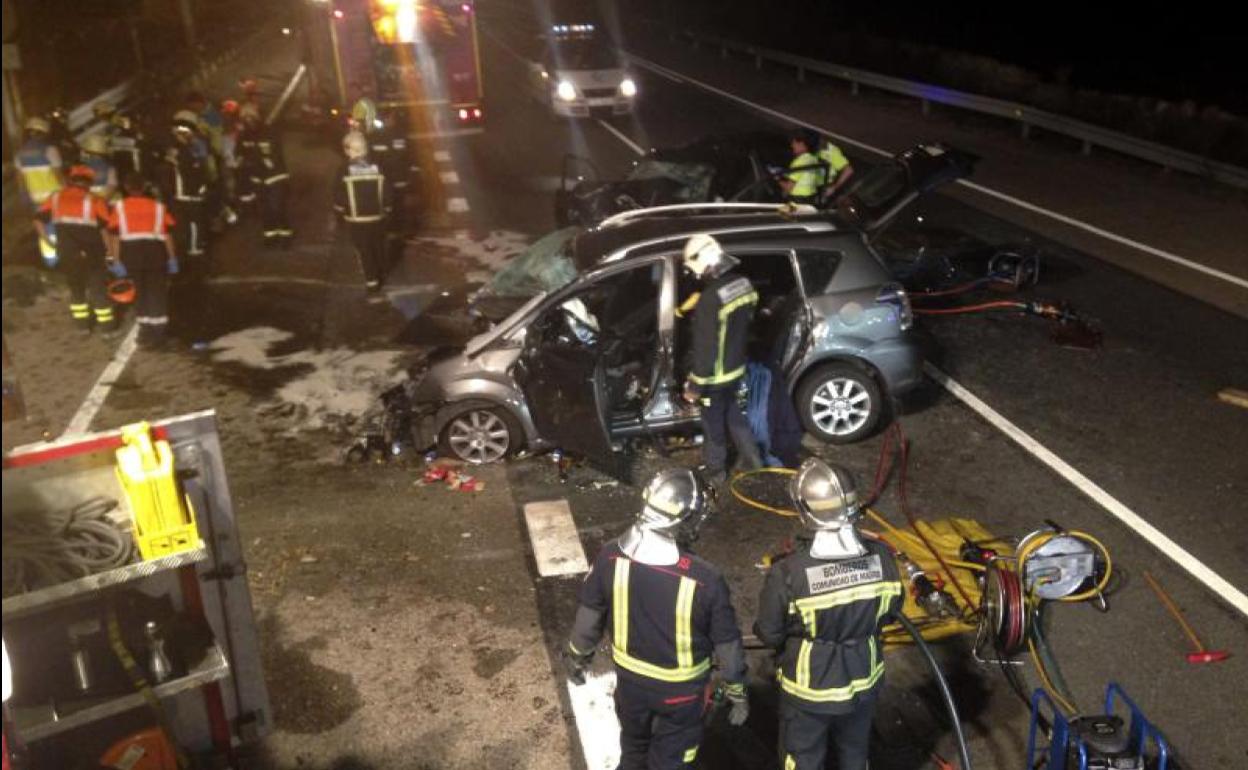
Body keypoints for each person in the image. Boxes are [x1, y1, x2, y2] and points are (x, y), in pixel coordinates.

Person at [565, 468, 749, 769]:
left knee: (633, 749)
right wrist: (737, 692)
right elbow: (728, 647)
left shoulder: (610, 556)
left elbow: (589, 619)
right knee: (673, 761)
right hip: (682, 697)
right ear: (682, 521)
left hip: (631, 687)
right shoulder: (706, 579)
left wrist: (577, 658)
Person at [753, 459, 904, 770]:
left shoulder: (789, 571)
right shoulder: (883, 558)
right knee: (854, 752)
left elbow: (769, 632)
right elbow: (891, 612)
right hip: (864, 678)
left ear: (806, 511)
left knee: (803, 756)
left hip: (810, 689)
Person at [680, 233, 762, 482]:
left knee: (712, 423)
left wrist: (694, 386)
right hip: (737, 369)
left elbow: (706, 349)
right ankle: (753, 461)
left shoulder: (709, 300)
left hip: (714, 378)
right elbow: (749, 318)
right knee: (735, 414)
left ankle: (716, 472)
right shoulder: (745, 284)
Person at [33, 165, 115, 335]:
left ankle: (82, 327)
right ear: (89, 183)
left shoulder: (56, 198)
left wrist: (48, 240)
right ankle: (107, 330)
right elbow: (105, 230)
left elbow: (38, 221)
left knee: (76, 289)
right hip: (93, 254)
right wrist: (111, 252)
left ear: (71, 180)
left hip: (68, 254)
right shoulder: (95, 200)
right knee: (98, 289)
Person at [107, 172, 178, 346]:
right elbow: (167, 234)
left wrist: (116, 260)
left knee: (139, 291)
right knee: (157, 291)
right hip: (155, 251)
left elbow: (114, 236)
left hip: (131, 253)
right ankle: (159, 333)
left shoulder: (120, 207)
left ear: (127, 188)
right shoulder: (158, 207)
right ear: (145, 187)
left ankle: (145, 332)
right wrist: (172, 258)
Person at [332, 131, 392, 293]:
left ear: (348, 150)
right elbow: (387, 189)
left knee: (364, 249)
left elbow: (338, 193)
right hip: (377, 216)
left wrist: (340, 211)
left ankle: (372, 282)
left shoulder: (344, 169)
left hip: (356, 220)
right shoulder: (378, 165)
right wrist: (387, 208)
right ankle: (382, 273)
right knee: (378, 245)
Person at [237, 104, 292, 248]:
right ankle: (270, 236)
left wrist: (263, 159)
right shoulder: (244, 136)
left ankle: (285, 235)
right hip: (258, 178)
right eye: (245, 118)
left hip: (275, 177)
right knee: (265, 209)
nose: (248, 120)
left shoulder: (269, 132)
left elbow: (276, 155)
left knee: (277, 207)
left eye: (251, 117)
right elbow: (240, 154)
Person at [159, 112, 210, 265]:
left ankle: (194, 250)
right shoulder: (181, 149)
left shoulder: (192, 149)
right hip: (181, 195)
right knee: (184, 224)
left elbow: (195, 170)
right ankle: (187, 250)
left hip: (190, 194)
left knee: (193, 223)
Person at [16, 116, 65, 263]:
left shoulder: (20, 153)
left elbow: (21, 181)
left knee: (43, 230)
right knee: (58, 229)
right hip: (54, 198)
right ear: (44, 133)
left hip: (36, 199)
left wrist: (25, 199)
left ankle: (50, 261)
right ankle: (65, 258)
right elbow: (59, 176)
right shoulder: (49, 150)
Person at [779, 131, 823, 205]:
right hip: (810, 199)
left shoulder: (799, 162)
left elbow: (788, 188)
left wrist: (777, 179)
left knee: (781, 215)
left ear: (801, 144)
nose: (792, 145)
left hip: (796, 201)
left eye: (794, 143)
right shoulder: (813, 159)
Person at [78, 134, 118, 201]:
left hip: (88, 199)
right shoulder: (110, 167)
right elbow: (112, 185)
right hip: (105, 197)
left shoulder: (82, 166)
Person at [816, 136, 854, 206]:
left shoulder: (832, 151)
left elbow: (848, 170)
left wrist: (834, 187)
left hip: (824, 188)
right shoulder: (812, 148)